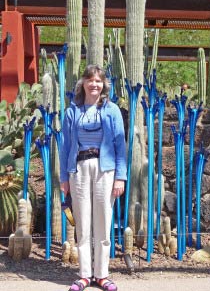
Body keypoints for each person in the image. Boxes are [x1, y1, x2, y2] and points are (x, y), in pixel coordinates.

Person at [60, 64, 127, 291]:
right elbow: (65, 146)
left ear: (103, 84)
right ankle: (84, 275)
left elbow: (120, 145)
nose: (94, 84)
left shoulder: (112, 110)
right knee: (83, 223)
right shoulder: (72, 112)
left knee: (103, 221)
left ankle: (102, 275)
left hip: (105, 169)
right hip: (78, 169)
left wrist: (121, 177)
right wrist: (63, 178)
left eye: (98, 80)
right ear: (83, 83)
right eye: (90, 80)